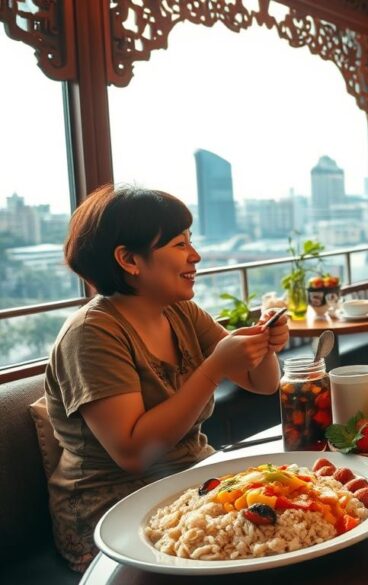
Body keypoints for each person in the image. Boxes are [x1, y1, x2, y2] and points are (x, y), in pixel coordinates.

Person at [44, 185, 290, 571]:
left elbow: (263, 383)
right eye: (179, 244)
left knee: (293, 520)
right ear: (129, 259)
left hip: (189, 482)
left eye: (191, 241)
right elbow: (133, 454)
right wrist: (212, 369)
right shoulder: (92, 334)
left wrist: (265, 345)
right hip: (111, 509)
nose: (196, 255)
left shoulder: (180, 312)